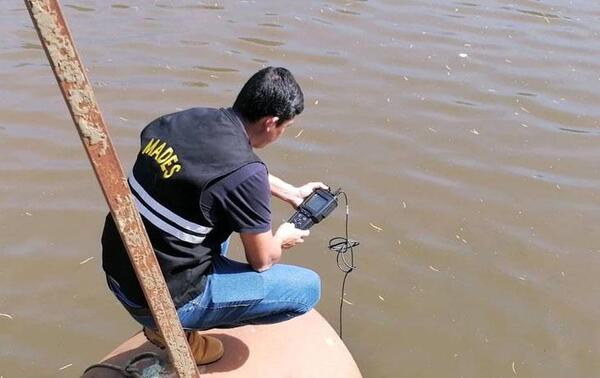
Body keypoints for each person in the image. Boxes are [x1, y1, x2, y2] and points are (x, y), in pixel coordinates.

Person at [101, 67, 325, 365]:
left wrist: (290, 193)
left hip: (119, 269)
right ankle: (177, 332)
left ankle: (171, 317)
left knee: (213, 215)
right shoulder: (246, 173)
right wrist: (283, 236)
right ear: (271, 123)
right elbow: (262, 261)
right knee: (307, 290)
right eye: (286, 127)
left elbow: (221, 173)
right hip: (158, 298)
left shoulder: (184, 120)